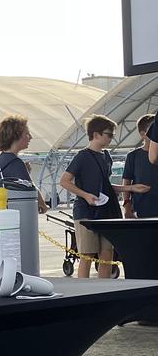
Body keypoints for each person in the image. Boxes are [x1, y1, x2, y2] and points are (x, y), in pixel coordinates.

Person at [59, 115, 124, 280]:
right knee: (87, 255)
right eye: (109, 134)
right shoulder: (82, 156)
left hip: (106, 211)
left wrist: (128, 188)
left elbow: (106, 186)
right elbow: (64, 181)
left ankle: (103, 290)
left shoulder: (107, 156)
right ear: (96, 134)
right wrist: (85, 195)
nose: (111, 138)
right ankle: (83, 292)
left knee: (107, 253)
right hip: (85, 212)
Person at [0, 115, 48, 214]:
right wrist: (42, 204)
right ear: (16, 135)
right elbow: (29, 188)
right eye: (27, 134)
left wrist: (25, 171)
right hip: (16, 214)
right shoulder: (16, 162)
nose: (30, 137)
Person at [122, 114, 158, 219]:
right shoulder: (133, 156)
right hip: (142, 209)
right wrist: (127, 206)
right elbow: (126, 182)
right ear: (143, 134)